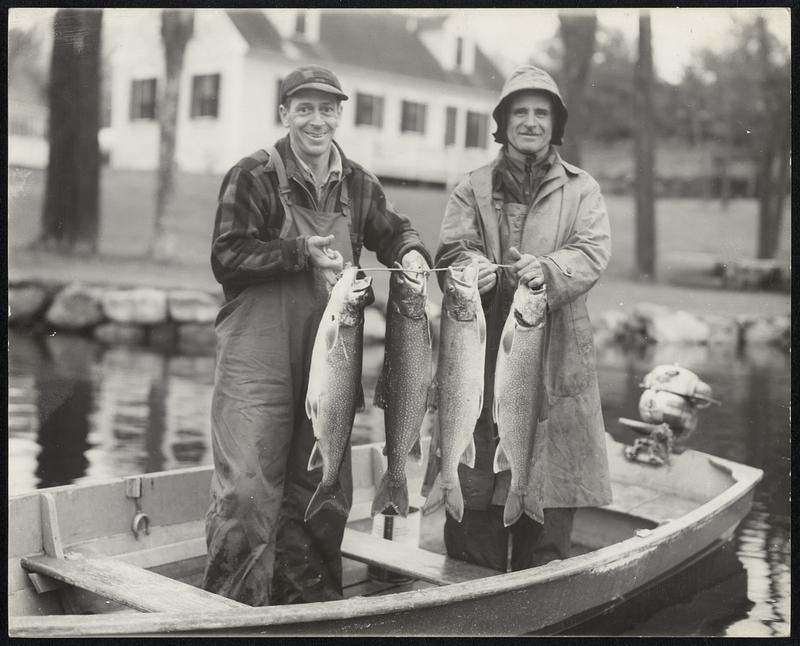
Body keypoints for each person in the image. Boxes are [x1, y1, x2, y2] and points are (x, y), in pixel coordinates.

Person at [203, 64, 431, 606]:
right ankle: (233, 613)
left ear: (339, 116)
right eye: (303, 108)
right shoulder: (253, 175)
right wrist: (298, 252)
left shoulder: (358, 183)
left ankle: (307, 614)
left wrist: (413, 254)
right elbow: (226, 256)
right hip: (255, 361)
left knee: (321, 492)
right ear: (284, 113)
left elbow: (396, 231)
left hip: (331, 357)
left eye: (327, 109)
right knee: (246, 493)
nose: (316, 120)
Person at [430, 64, 612, 572]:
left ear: (556, 125)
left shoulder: (583, 190)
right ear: (502, 122)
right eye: (520, 112)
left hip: (556, 365)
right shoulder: (472, 187)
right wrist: (469, 270)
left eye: (541, 113)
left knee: (547, 526)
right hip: (477, 359)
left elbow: (592, 253)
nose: (530, 122)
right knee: (471, 522)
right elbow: (453, 250)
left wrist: (548, 269)